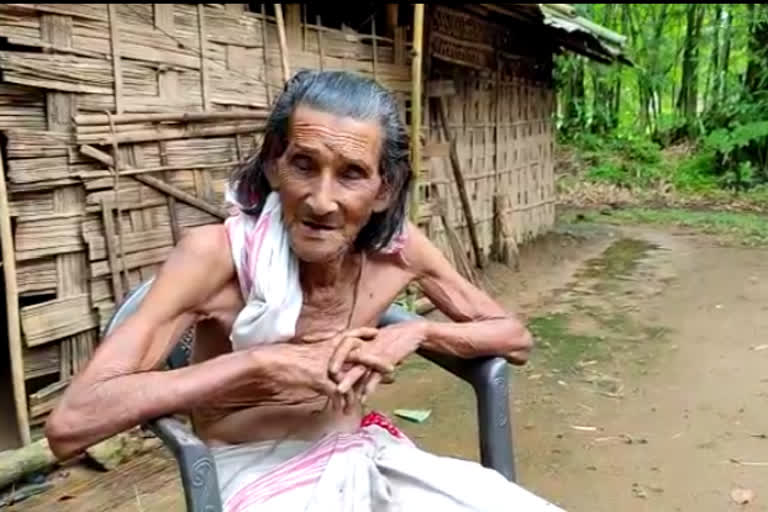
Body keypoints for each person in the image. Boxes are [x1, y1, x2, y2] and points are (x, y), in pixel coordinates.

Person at [46, 70, 563, 511]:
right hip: (252, 472)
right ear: (274, 163)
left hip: (365, 453)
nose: (321, 200)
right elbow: (72, 423)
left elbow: (513, 338)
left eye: (352, 174)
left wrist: (418, 333)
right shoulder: (214, 257)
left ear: (384, 189)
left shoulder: (398, 251)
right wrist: (256, 366)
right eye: (303, 165)